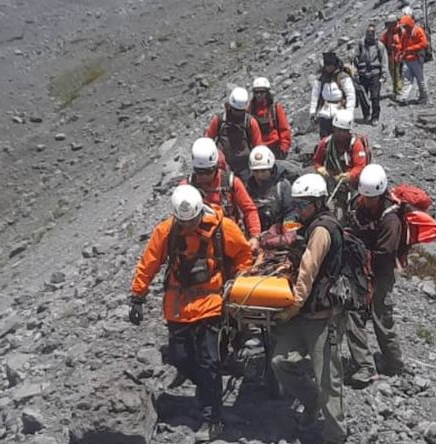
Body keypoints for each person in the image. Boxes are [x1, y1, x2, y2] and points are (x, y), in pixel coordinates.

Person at [128, 184, 253, 442]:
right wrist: (137, 296)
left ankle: (212, 418)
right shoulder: (166, 232)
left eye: (192, 220)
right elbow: (149, 262)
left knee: (210, 362)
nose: (188, 226)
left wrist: (239, 284)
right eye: (183, 222)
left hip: (211, 302)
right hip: (178, 306)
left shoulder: (222, 228)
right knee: (180, 358)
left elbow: (243, 255)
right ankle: (207, 390)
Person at [270, 173, 346, 444]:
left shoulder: (321, 231)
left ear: (318, 202)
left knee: (328, 379)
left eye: (303, 204)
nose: (298, 209)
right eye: (297, 204)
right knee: (281, 361)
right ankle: (311, 403)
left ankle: (335, 436)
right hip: (305, 312)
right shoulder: (309, 224)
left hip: (322, 315)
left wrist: (293, 305)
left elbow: (308, 270)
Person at [345, 165, 404, 385]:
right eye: (364, 197)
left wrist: (357, 250)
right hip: (359, 272)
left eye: (371, 198)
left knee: (381, 318)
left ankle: (394, 363)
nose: (367, 202)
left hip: (380, 274)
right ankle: (365, 366)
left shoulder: (391, 220)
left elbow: (385, 253)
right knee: (354, 315)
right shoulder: (357, 206)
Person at [184, 138, 262, 248]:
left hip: (229, 238)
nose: (204, 176)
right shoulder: (186, 186)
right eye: (200, 172)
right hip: (197, 242)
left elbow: (249, 210)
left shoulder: (231, 182)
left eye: (208, 171)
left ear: (216, 166)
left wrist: (255, 236)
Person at [313, 109, 369, 221]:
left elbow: (360, 166)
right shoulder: (326, 143)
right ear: (333, 129)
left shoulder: (355, 144)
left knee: (358, 205)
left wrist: (349, 175)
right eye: (338, 130)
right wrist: (320, 169)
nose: (341, 134)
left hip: (353, 184)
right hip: (332, 181)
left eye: (344, 131)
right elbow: (317, 161)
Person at [204, 87, 263, 181]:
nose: (238, 114)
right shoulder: (219, 120)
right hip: (222, 167)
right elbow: (207, 142)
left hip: (244, 168)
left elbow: (258, 147)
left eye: (240, 111)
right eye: (235, 110)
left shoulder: (250, 122)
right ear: (229, 107)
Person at [245, 145, 298, 233]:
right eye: (256, 171)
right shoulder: (249, 187)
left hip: (279, 233)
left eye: (263, 170)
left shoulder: (282, 186)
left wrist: (288, 231)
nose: (259, 175)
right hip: (257, 232)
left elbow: (291, 212)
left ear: (271, 169)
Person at [309, 52, 356, 137]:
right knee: (324, 137)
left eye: (330, 65)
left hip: (340, 111)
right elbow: (315, 95)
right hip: (325, 112)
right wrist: (312, 111)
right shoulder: (321, 78)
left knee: (338, 138)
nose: (328, 68)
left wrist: (350, 112)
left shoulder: (343, 77)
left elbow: (351, 95)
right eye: (327, 65)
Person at [249, 77, 293, 160]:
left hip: (275, 149)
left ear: (267, 92)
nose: (258, 95)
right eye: (256, 92)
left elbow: (284, 129)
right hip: (257, 149)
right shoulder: (250, 109)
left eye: (261, 92)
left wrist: (284, 148)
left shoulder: (275, 108)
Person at [353, 24, 388, 125]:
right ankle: (366, 114)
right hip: (362, 73)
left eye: (372, 33)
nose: (369, 35)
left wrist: (384, 74)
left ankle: (375, 116)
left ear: (374, 34)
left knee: (375, 96)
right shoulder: (360, 45)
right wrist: (355, 71)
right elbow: (354, 59)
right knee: (362, 96)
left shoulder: (379, 45)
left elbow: (384, 60)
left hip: (375, 73)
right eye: (368, 33)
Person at [395, 14, 429, 104]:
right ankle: (404, 98)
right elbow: (402, 45)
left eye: (405, 25)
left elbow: (424, 43)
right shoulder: (405, 32)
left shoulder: (418, 30)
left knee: (420, 79)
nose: (404, 27)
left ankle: (423, 97)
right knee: (407, 79)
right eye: (403, 25)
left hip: (416, 59)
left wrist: (411, 48)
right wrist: (399, 52)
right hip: (407, 59)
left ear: (409, 23)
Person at [379, 14, 403, 98]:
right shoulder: (387, 33)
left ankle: (399, 89)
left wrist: (396, 47)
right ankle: (396, 89)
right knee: (393, 73)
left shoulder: (401, 31)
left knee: (399, 73)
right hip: (390, 56)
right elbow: (381, 42)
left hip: (400, 56)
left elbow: (404, 42)